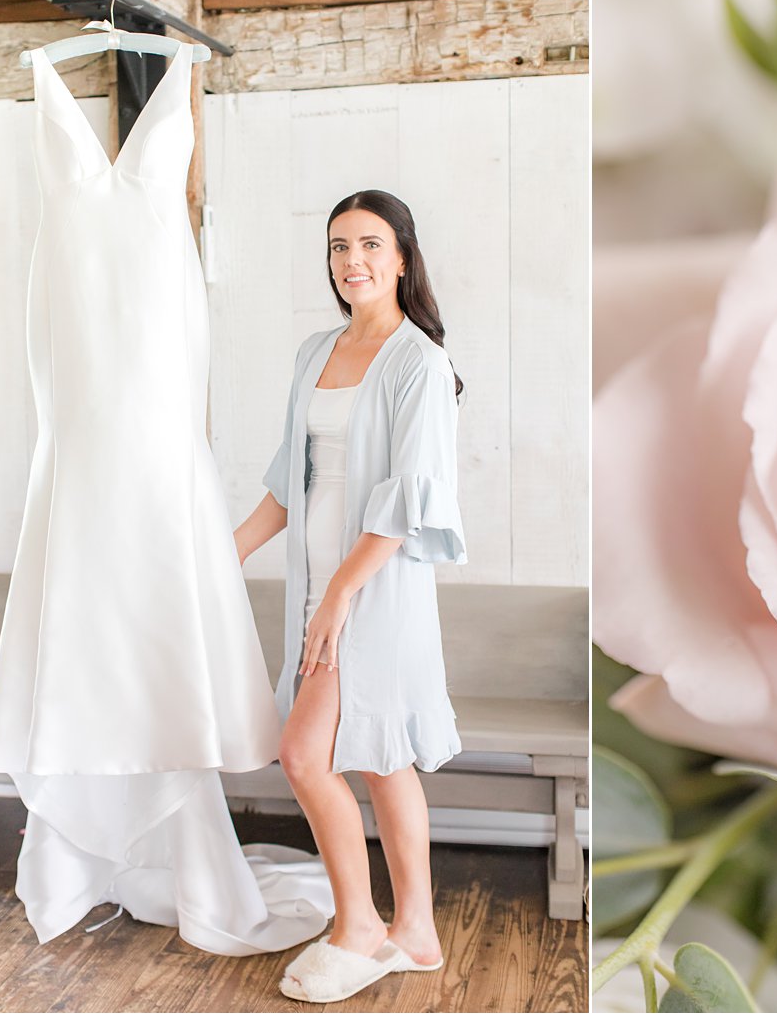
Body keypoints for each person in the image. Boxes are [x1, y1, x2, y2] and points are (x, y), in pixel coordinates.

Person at [233, 189, 468, 1003]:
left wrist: (337, 595)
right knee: (382, 758)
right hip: (319, 589)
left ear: (402, 256)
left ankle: (360, 924)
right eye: (338, 246)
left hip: (373, 592)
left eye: (370, 244)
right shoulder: (314, 353)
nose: (352, 260)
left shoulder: (420, 364)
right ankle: (418, 932)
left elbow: (409, 502)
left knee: (304, 754)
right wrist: (224, 556)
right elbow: (287, 482)